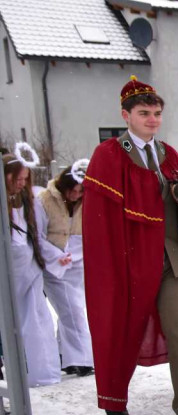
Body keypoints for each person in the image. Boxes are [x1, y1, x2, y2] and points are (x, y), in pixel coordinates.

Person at [82, 76, 178, 415]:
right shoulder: (108, 155)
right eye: (145, 113)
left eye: (157, 113)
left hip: (172, 260)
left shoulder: (169, 155)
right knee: (120, 330)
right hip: (129, 264)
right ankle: (113, 396)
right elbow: (99, 221)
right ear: (126, 115)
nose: (153, 119)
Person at [4, 150, 71, 387]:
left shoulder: (26, 200)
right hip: (8, 272)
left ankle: (42, 373)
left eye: (24, 179)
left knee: (37, 320)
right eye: (17, 179)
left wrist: (55, 257)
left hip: (29, 270)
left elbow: (36, 237)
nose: (22, 184)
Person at [38, 161, 94, 377]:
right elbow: (39, 235)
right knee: (72, 310)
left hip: (77, 263)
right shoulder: (44, 200)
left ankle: (67, 356)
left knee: (71, 309)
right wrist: (55, 256)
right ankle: (82, 358)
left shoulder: (85, 201)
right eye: (73, 190)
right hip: (53, 265)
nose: (76, 195)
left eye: (81, 191)